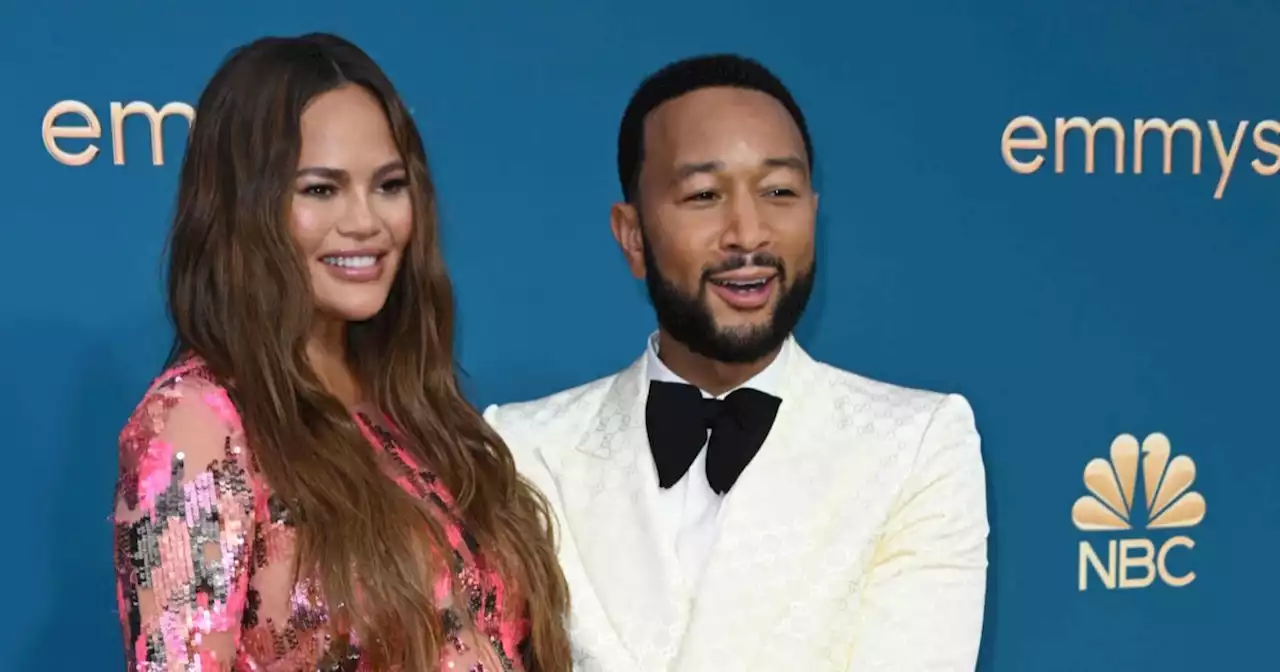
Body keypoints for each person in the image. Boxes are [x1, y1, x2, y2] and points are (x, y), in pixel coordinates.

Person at [483, 54, 989, 671]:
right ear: (632, 235)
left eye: (779, 191)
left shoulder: (916, 446)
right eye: (703, 195)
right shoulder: (519, 450)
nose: (748, 234)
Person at [110, 34, 571, 672]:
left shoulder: (416, 409)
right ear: (245, 209)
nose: (366, 222)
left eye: (388, 185)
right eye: (321, 190)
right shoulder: (199, 421)